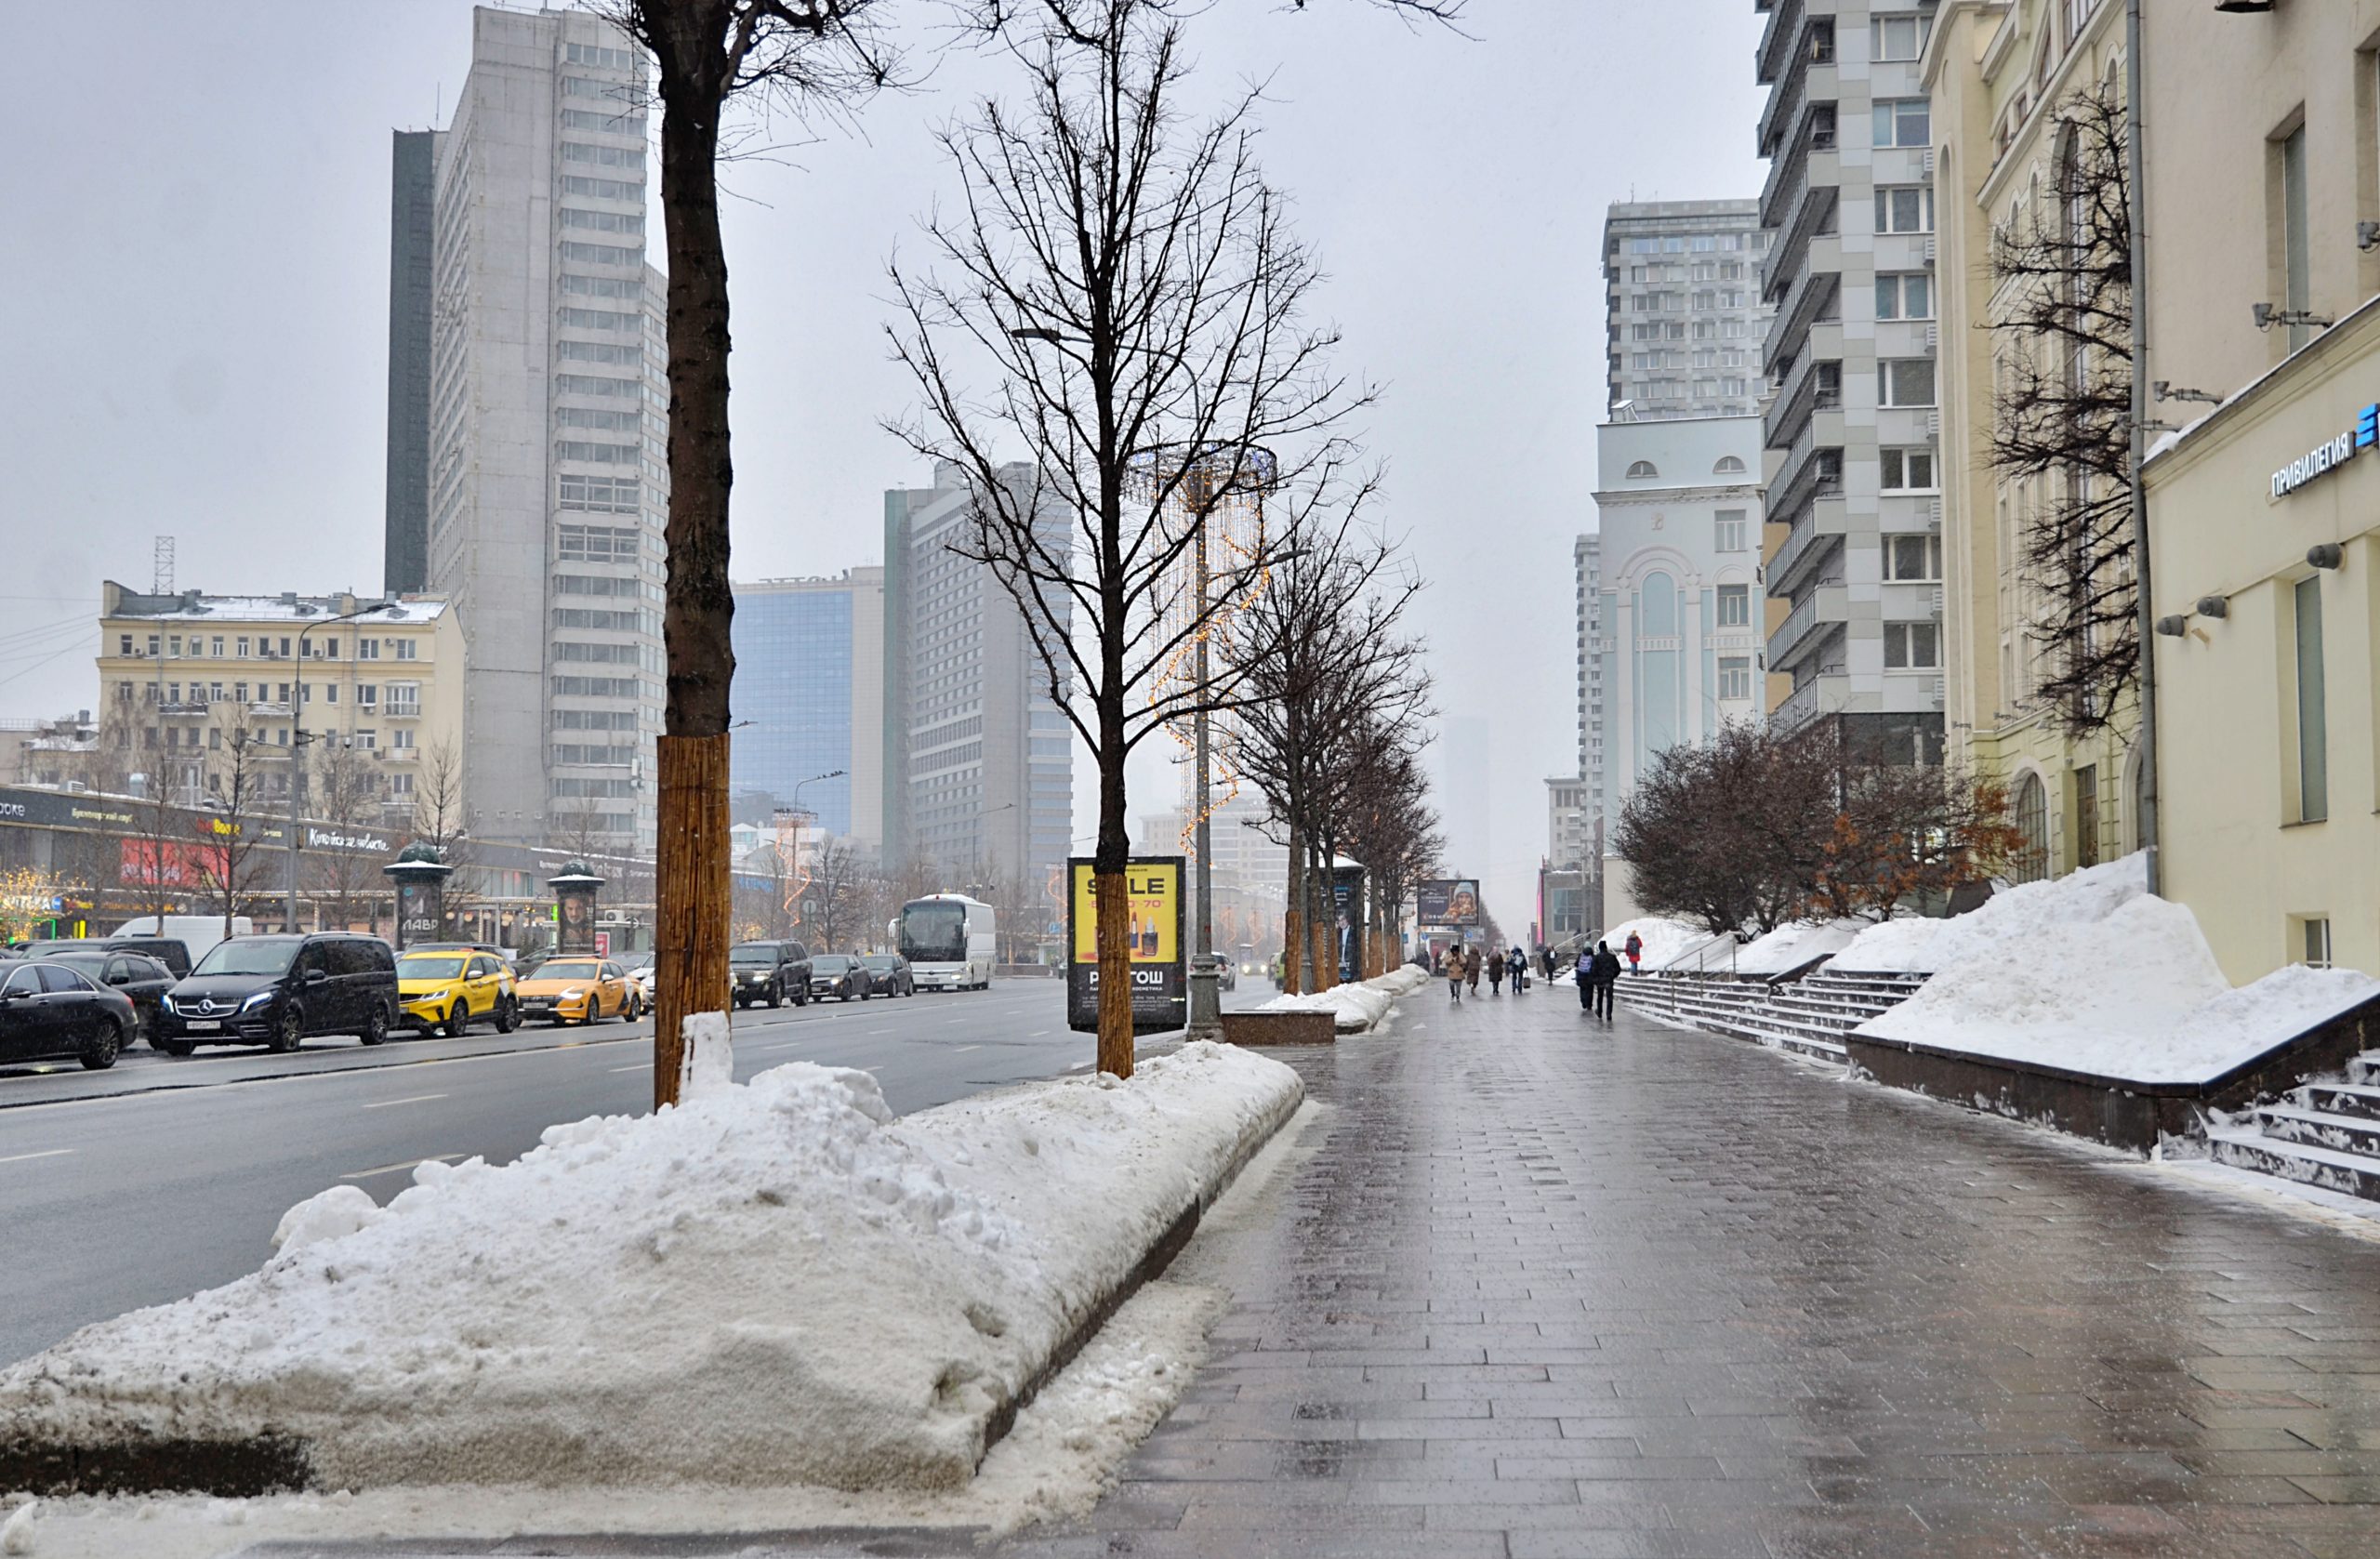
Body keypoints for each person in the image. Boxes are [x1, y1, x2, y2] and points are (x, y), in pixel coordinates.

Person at [1589, 940, 1622, 1021]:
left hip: (1600, 980)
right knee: (1609, 997)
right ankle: (1609, 1014)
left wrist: (1594, 979)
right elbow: (1618, 969)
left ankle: (1600, 1012)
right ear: (1606, 947)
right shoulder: (1612, 957)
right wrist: (1613, 976)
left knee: (1600, 996)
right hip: (1609, 980)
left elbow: (1592, 970)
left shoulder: (1596, 958)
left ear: (1600, 948)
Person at [1574, 944, 1596, 1012]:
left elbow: (1576, 964)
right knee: (1590, 991)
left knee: (1582, 989)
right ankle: (1589, 1005)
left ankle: (1583, 1002)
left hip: (1581, 975)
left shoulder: (1581, 955)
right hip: (1590, 976)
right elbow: (1595, 966)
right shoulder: (1593, 956)